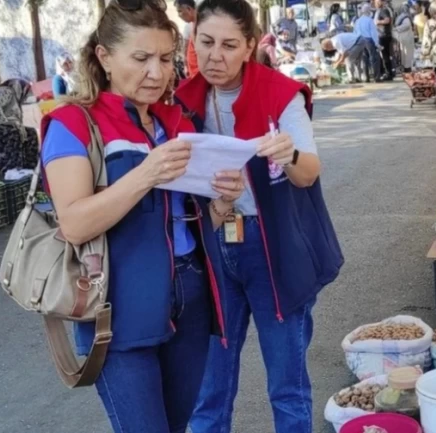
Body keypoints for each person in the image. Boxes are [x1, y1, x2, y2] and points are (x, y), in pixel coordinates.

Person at [39, 1, 244, 431]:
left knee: (178, 423)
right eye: (141, 58)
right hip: (118, 308)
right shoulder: (74, 124)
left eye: (166, 59)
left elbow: (187, 218)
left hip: (190, 298)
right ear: (104, 57)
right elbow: (74, 223)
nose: (157, 73)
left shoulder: (175, 121)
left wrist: (221, 203)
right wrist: (146, 174)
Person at [176, 1, 343, 433]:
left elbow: (308, 174)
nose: (216, 56)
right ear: (193, 40)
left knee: (286, 387)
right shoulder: (182, 102)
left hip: (274, 253)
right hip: (214, 250)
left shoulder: (279, 95)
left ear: (250, 45)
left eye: (230, 45)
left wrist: (288, 153)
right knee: (208, 389)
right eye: (207, 42)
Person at [354, 4, 382, 82]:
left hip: (360, 40)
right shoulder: (370, 20)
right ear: (368, 11)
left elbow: (355, 32)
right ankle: (377, 78)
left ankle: (366, 78)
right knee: (374, 58)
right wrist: (377, 43)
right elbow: (373, 33)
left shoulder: (357, 21)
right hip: (369, 40)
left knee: (364, 59)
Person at [175, 0, 199, 76]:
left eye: (180, 11)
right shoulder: (192, 25)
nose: (179, 15)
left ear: (189, 9)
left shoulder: (201, 26)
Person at [374, 0, 396, 80]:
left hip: (384, 36)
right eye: (376, 2)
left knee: (385, 55)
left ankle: (388, 73)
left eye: (378, 2)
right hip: (381, 35)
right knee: (385, 55)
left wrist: (378, 22)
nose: (376, 3)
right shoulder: (379, 11)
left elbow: (387, 20)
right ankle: (388, 72)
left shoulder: (383, 10)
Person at [394, 3, 416, 73]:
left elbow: (407, 25)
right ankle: (405, 67)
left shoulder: (405, 17)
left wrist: (397, 28)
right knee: (405, 54)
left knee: (407, 54)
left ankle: (407, 68)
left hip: (407, 38)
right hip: (404, 38)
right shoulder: (404, 17)